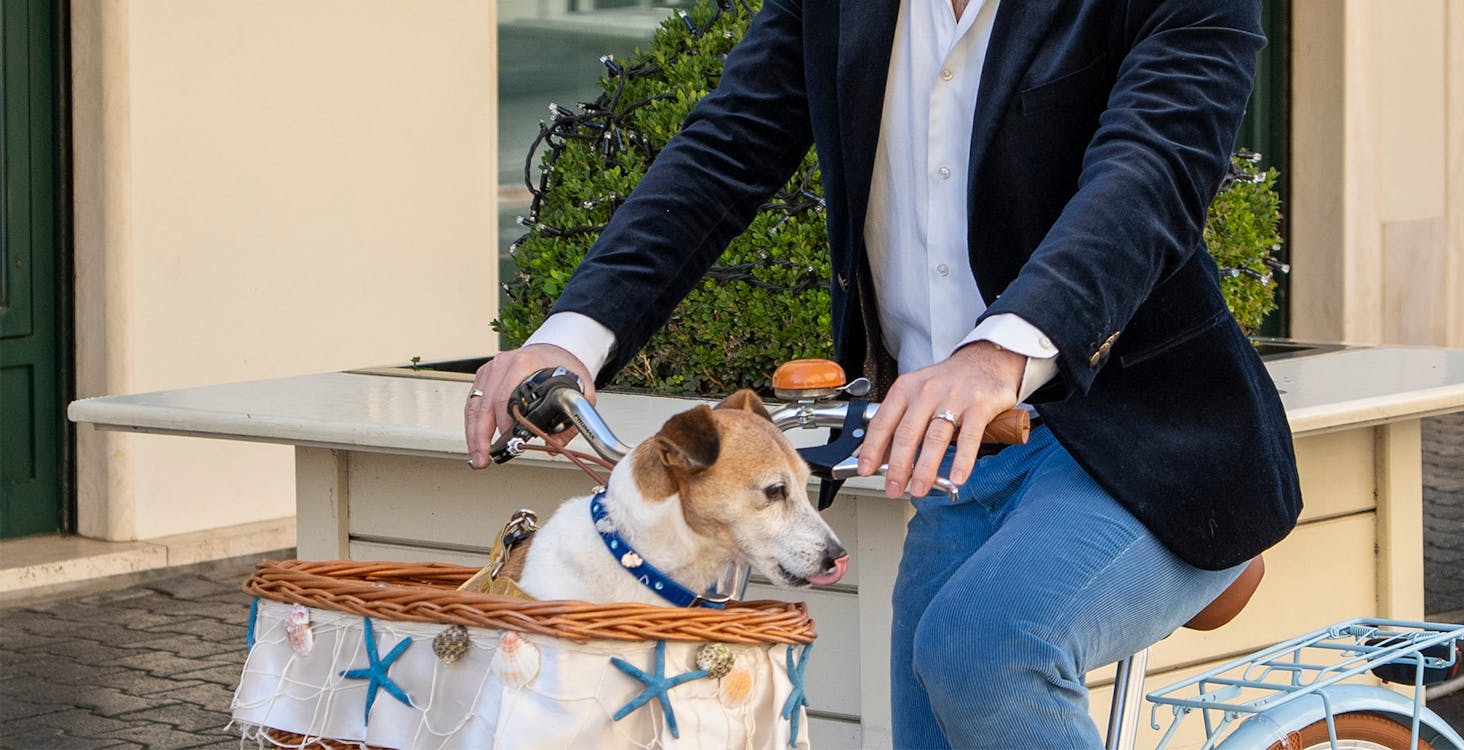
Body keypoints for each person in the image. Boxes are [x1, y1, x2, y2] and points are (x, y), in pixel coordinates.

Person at [465, 0, 1302, 746]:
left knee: (981, 647)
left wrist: (999, 353)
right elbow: (724, 149)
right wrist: (572, 339)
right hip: (956, 463)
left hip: (1151, 447)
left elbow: (1150, 173)